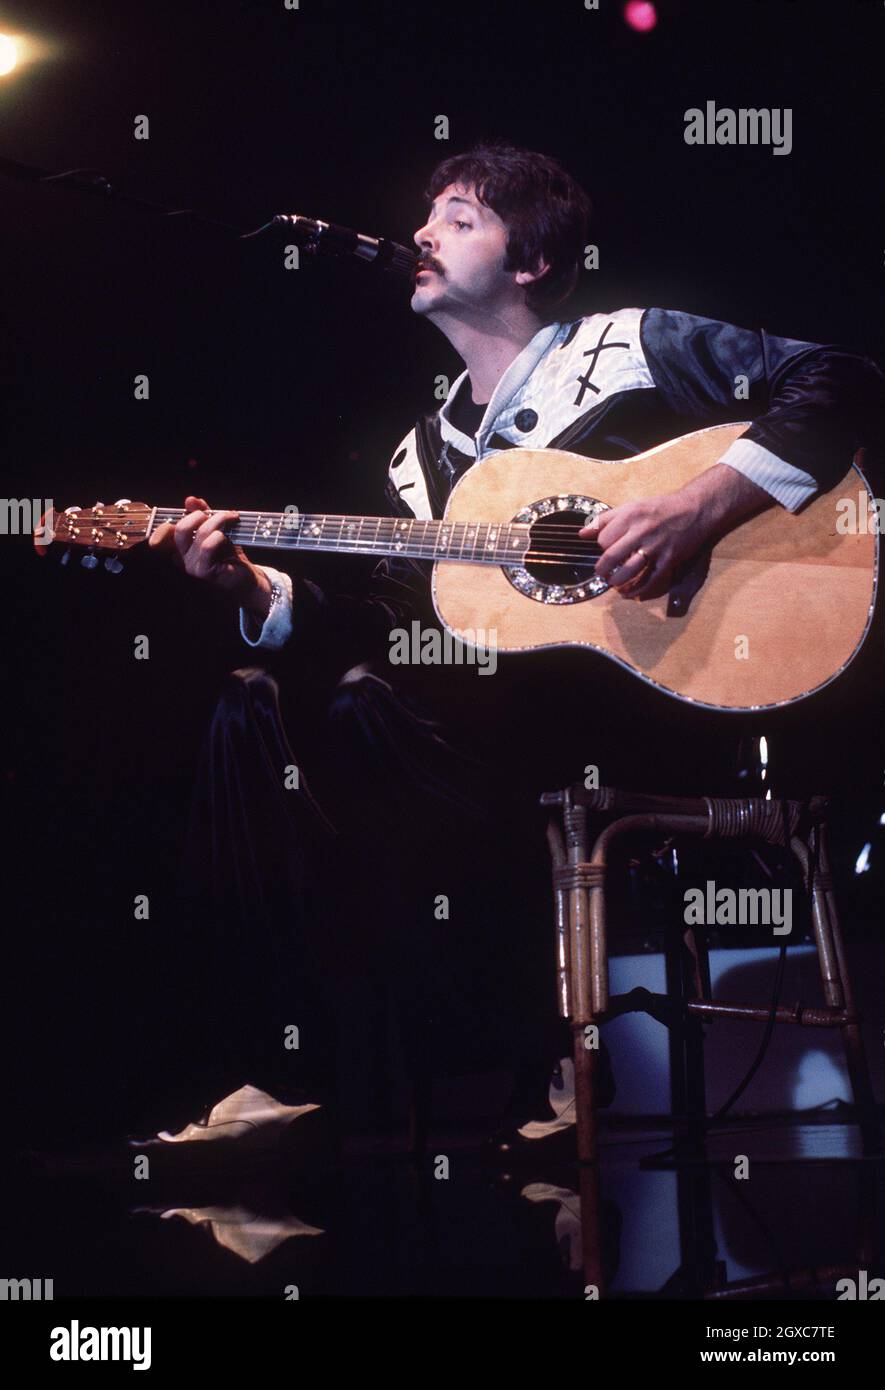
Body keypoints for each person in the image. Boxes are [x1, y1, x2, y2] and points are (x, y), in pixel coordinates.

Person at [146, 142, 884, 1159]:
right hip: (481, 732)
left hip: (660, 694)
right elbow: (399, 613)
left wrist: (695, 506)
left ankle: (543, 1044)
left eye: (457, 218)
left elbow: (840, 378)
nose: (420, 235)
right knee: (253, 703)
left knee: (375, 701)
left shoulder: (630, 345)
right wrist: (246, 586)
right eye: (430, 216)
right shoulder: (424, 451)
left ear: (533, 258)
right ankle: (296, 1062)